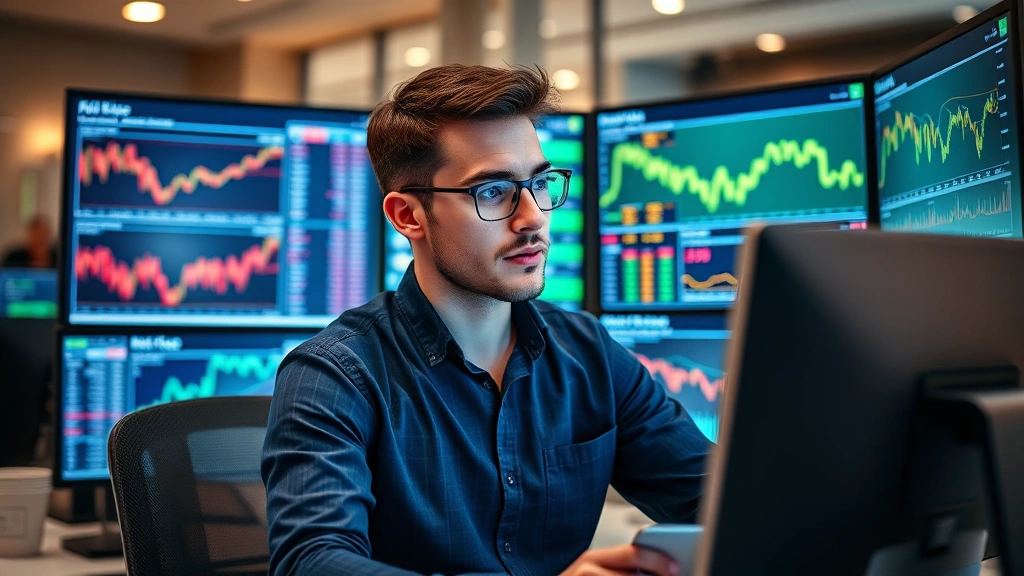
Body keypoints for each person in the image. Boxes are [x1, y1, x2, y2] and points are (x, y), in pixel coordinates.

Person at [262, 65, 710, 576]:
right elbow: (311, 563)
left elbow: (720, 502)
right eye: (493, 191)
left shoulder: (589, 353)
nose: (533, 217)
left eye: (540, 183)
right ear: (408, 216)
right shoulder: (334, 375)